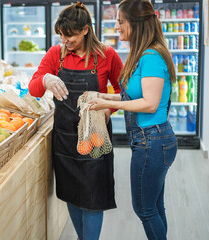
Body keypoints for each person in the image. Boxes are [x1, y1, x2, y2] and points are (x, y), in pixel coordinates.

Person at [28, 2, 123, 240]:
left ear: (85, 30)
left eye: (69, 35)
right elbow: (33, 89)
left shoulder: (106, 55)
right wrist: (47, 79)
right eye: (61, 35)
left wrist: (108, 110)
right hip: (65, 138)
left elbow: (126, 91)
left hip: (95, 136)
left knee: (93, 198)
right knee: (72, 194)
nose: (64, 40)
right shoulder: (55, 55)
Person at [89, 0, 178, 239]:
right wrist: (103, 95)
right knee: (155, 207)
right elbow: (134, 95)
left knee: (145, 209)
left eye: (120, 21)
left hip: (153, 141)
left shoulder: (152, 57)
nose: (116, 26)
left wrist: (108, 103)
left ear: (136, 24)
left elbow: (149, 103)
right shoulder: (142, 54)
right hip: (150, 141)